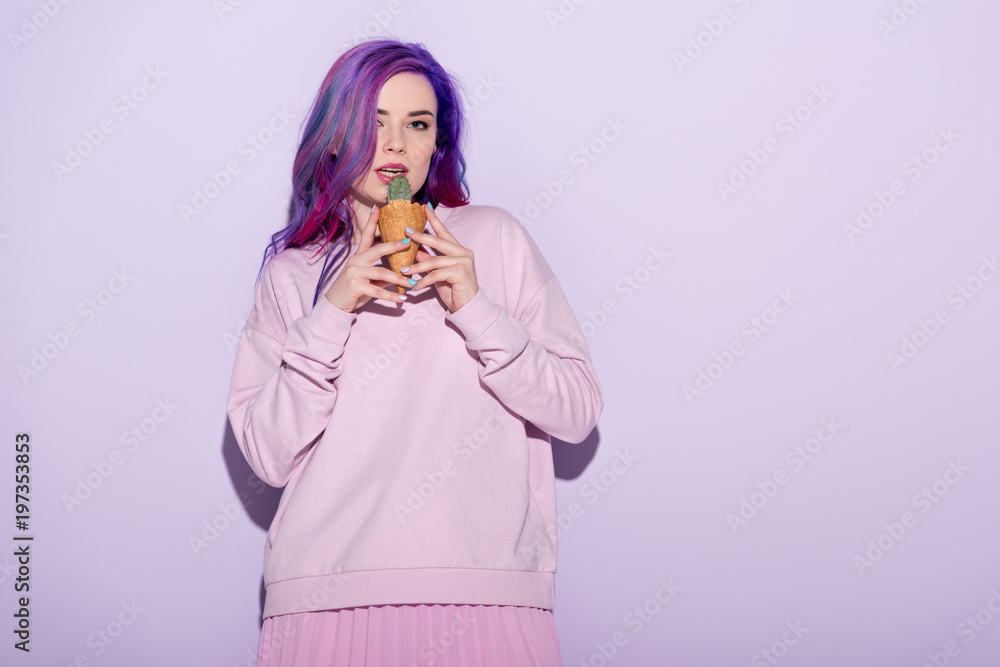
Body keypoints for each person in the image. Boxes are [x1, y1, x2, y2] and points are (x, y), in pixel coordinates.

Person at [227, 38, 603, 666]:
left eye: (417, 124)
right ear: (335, 135)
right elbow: (267, 455)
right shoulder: (293, 277)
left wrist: (476, 309)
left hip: (488, 595)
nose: (396, 144)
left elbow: (577, 413)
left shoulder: (492, 240)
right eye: (373, 122)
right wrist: (332, 311)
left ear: (437, 144)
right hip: (323, 603)